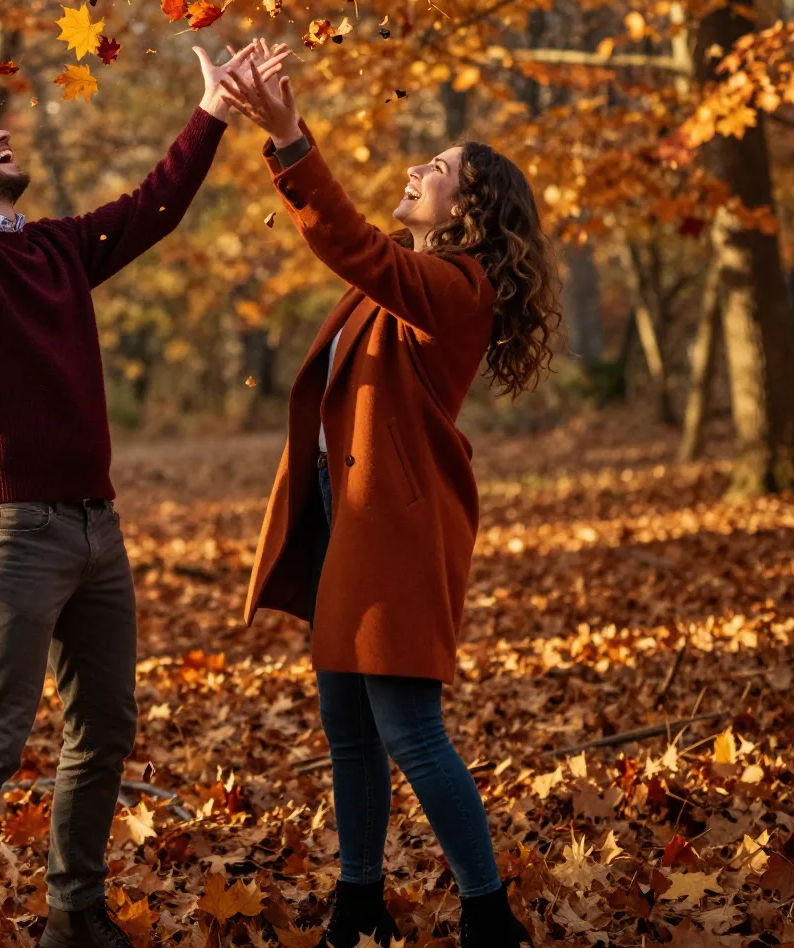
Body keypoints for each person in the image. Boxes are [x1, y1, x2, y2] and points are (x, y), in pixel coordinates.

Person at [0, 0, 289, 948]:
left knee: (104, 731)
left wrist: (210, 111)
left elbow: (152, 209)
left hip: (97, 528)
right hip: (9, 531)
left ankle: (74, 913)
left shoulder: (52, 246)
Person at [221, 48, 557, 948]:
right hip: (348, 524)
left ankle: (490, 915)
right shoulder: (403, 288)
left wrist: (291, 140)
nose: (417, 170)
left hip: (395, 531)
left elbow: (349, 242)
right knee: (347, 726)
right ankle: (359, 902)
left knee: (409, 729)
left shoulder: (455, 288)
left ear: (470, 210)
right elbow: (362, 261)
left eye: (438, 171)